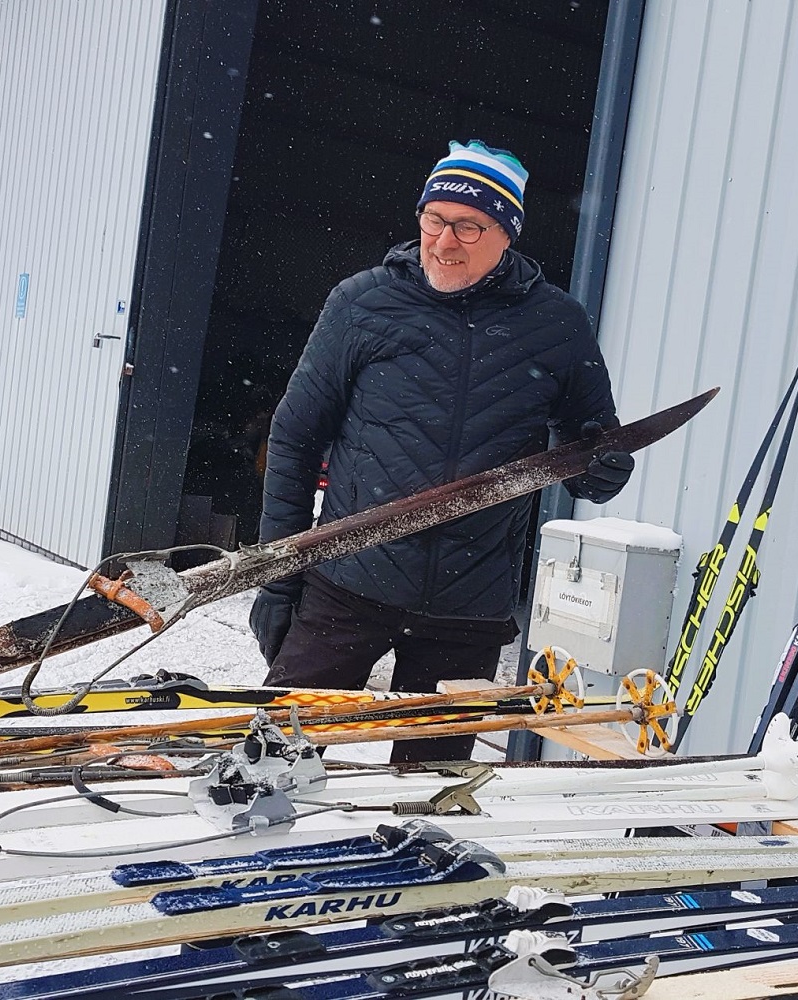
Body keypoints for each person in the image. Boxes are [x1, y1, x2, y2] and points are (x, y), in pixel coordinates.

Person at [249, 140, 634, 762]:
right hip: (348, 582)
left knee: (429, 797)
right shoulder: (363, 303)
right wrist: (277, 580)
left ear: (506, 234)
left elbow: (591, 451)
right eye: (434, 220)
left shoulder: (557, 323)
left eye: (468, 226)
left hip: (468, 607)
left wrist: (603, 467)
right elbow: (295, 438)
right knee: (270, 766)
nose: (444, 242)